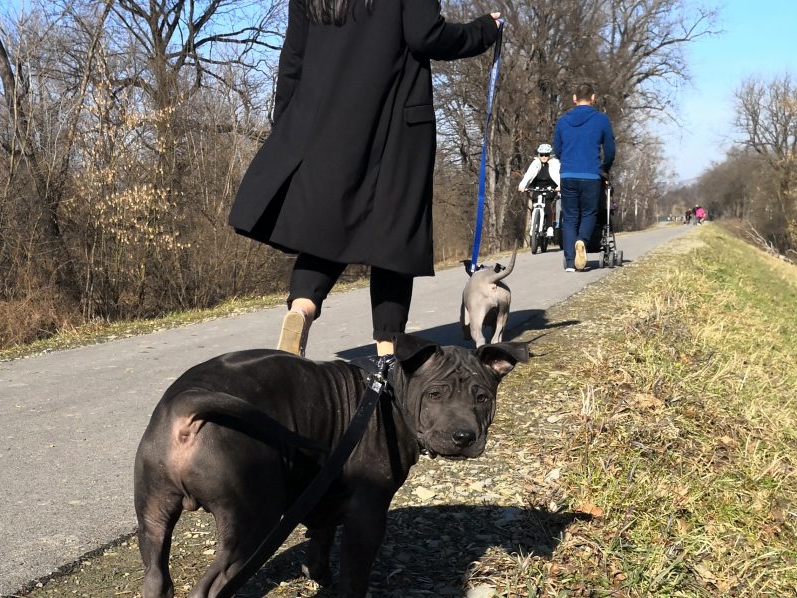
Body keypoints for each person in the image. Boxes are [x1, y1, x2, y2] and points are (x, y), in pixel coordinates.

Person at [228, 0, 503, 357]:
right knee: (393, 240)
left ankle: (301, 310)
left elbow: (293, 56)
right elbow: (426, 35)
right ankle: (387, 353)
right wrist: (484, 30)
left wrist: (288, 127)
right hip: (393, 126)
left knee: (327, 232)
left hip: (322, 123)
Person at [552, 83, 616, 272]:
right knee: (589, 213)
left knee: (570, 217)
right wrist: (604, 168)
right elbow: (610, 150)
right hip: (591, 174)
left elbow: (557, 149)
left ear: (574, 98)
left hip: (568, 174)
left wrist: (567, 162)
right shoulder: (601, 120)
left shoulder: (563, 121)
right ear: (593, 98)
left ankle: (570, 262)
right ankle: (582, 241)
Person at [518, 143, 561, 239]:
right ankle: (535, 224)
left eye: (546, 155)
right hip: (537, 187)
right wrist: (522, 185)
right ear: (539, 155)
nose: (544, 157)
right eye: (542, 155)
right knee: (535, 205)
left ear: (550, 155)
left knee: (547, 204)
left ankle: (549, 227)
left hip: (551, 187)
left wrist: (559, 186)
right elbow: (528, 175)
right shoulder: (535, 163)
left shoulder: (555, 163)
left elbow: (559, 175)